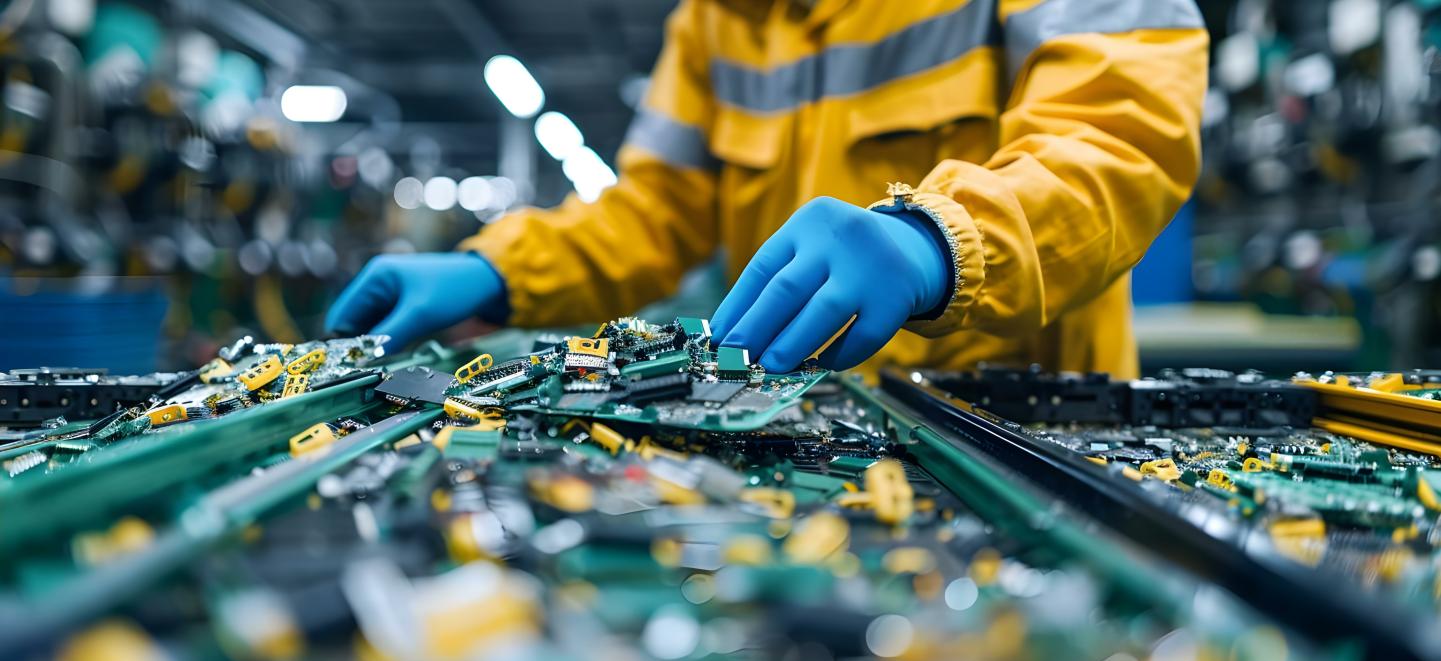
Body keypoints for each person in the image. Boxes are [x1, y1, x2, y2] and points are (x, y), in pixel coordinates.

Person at [327, 0, 1208, 378]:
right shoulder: (715, 20)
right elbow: (652, 212)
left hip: (1013, 437)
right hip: (785, 429)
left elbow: (1120, 133)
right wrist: (498, 271)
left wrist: (938, 241)